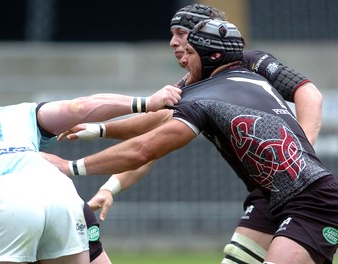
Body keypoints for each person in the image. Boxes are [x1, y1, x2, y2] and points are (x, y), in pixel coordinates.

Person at [48, 19, 338, 264]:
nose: (182, 58)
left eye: (189, 50)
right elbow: (158, 120)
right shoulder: (252, 78)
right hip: (280, 197)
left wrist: (70, 166)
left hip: (312, 202)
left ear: (210, 56)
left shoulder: (203, 97)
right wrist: (101, 130)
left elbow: (144, 148)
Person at [0, 82, 181, 264]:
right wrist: (145, 102)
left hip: (5, 196)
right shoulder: (17, 112)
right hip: (59, 190)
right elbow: (80, 106)